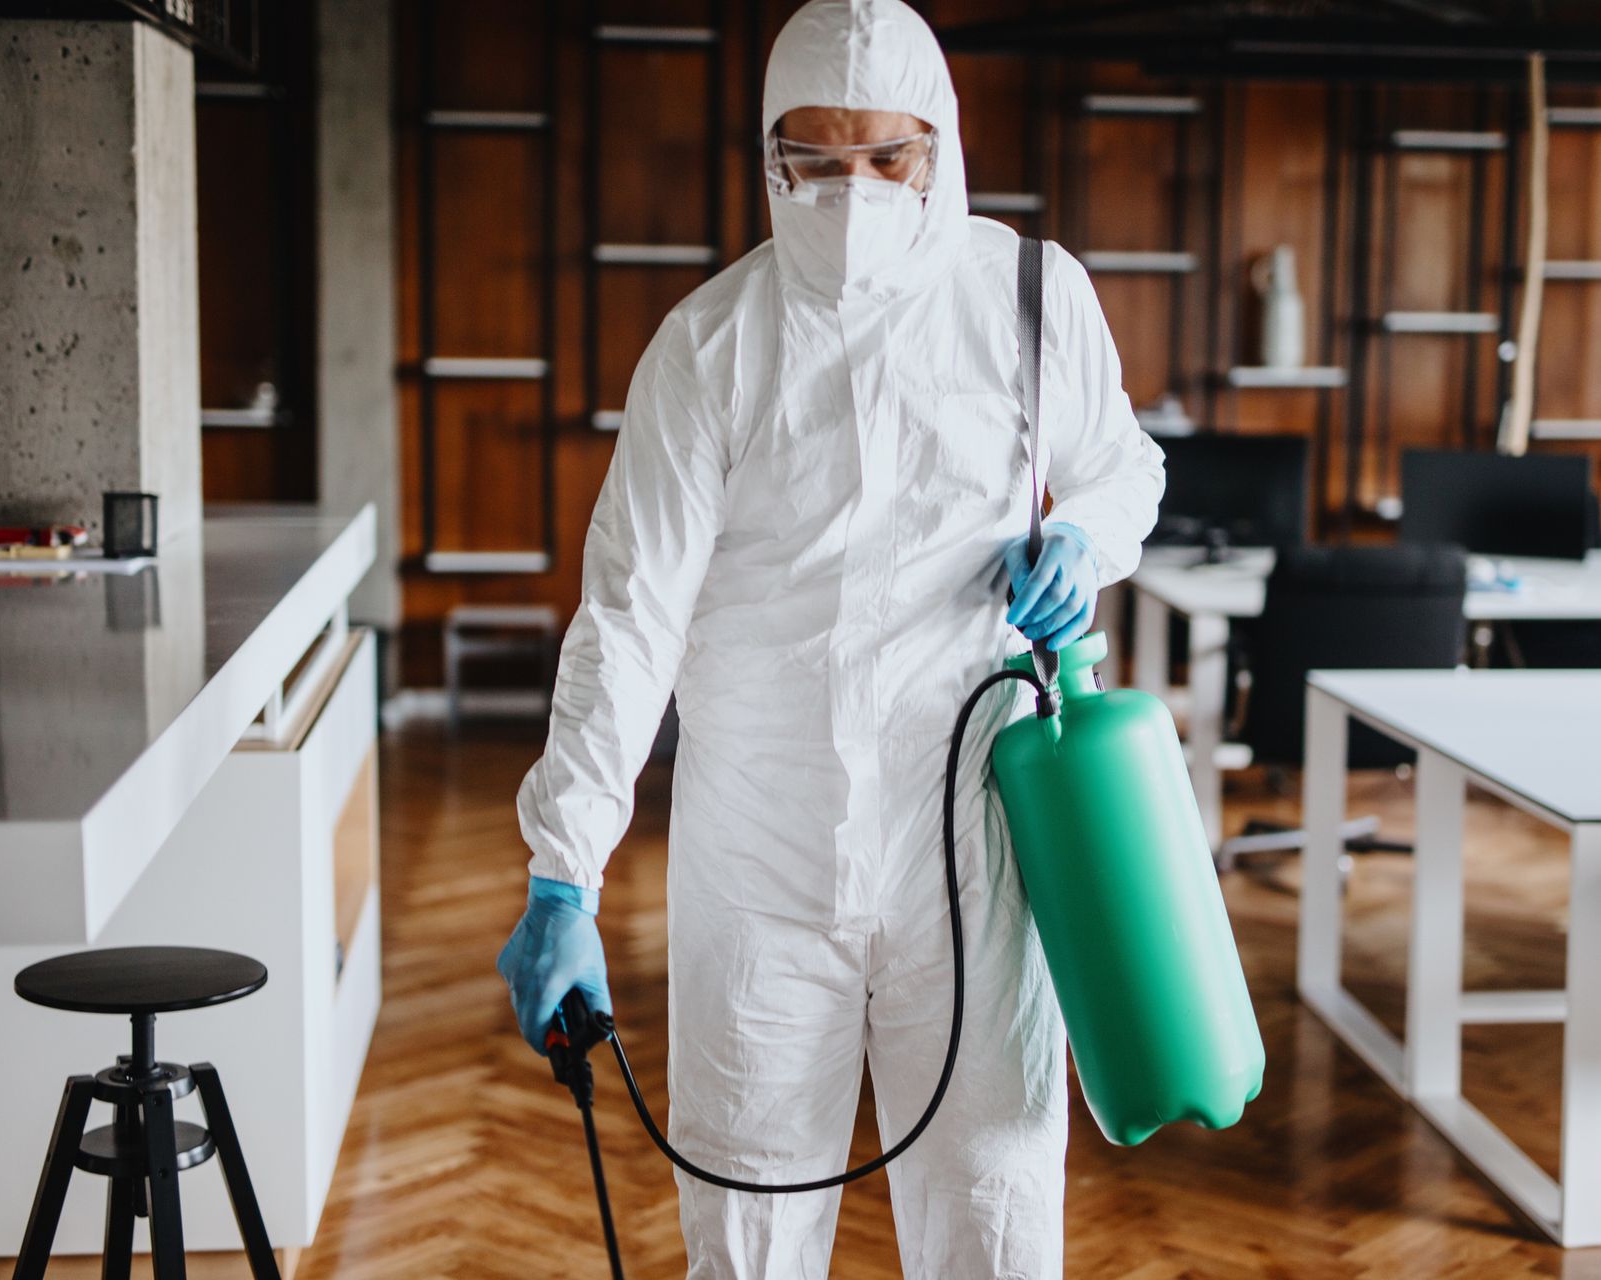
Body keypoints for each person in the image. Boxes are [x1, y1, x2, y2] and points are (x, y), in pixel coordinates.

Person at [497, 1, 1165, 1275]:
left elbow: (1121, 466)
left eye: (886, 156)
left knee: (995, 1211)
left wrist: (1083, 536)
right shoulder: (710, 345)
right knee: (746, 1222)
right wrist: (562, 869)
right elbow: (627, 618)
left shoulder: (1030, 299)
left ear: (942, 144)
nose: (851, 192)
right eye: (814, 160)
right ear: (767, 154)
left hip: (980, 838)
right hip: (762, 853)